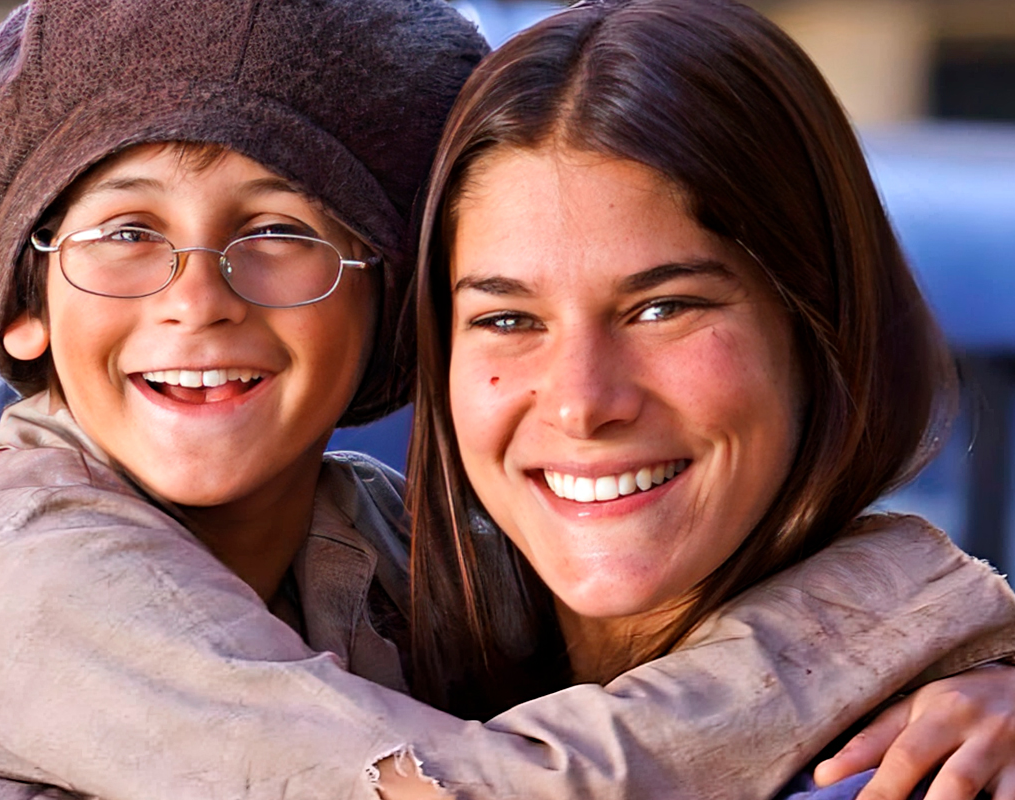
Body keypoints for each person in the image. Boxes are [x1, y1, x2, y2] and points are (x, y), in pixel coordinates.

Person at [0, 0, 1012, 799]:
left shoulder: (374, 542)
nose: (196, 299)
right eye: (125, 231)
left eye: (281, 233)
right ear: (22, 305)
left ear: (385, 307)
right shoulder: (28, 559)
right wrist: (883, 604)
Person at [404, 0, 1015, 798]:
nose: (582, 404)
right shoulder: (353, 649)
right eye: (508, 319)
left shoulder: (925, 769)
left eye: (663, 309)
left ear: (815, 322)